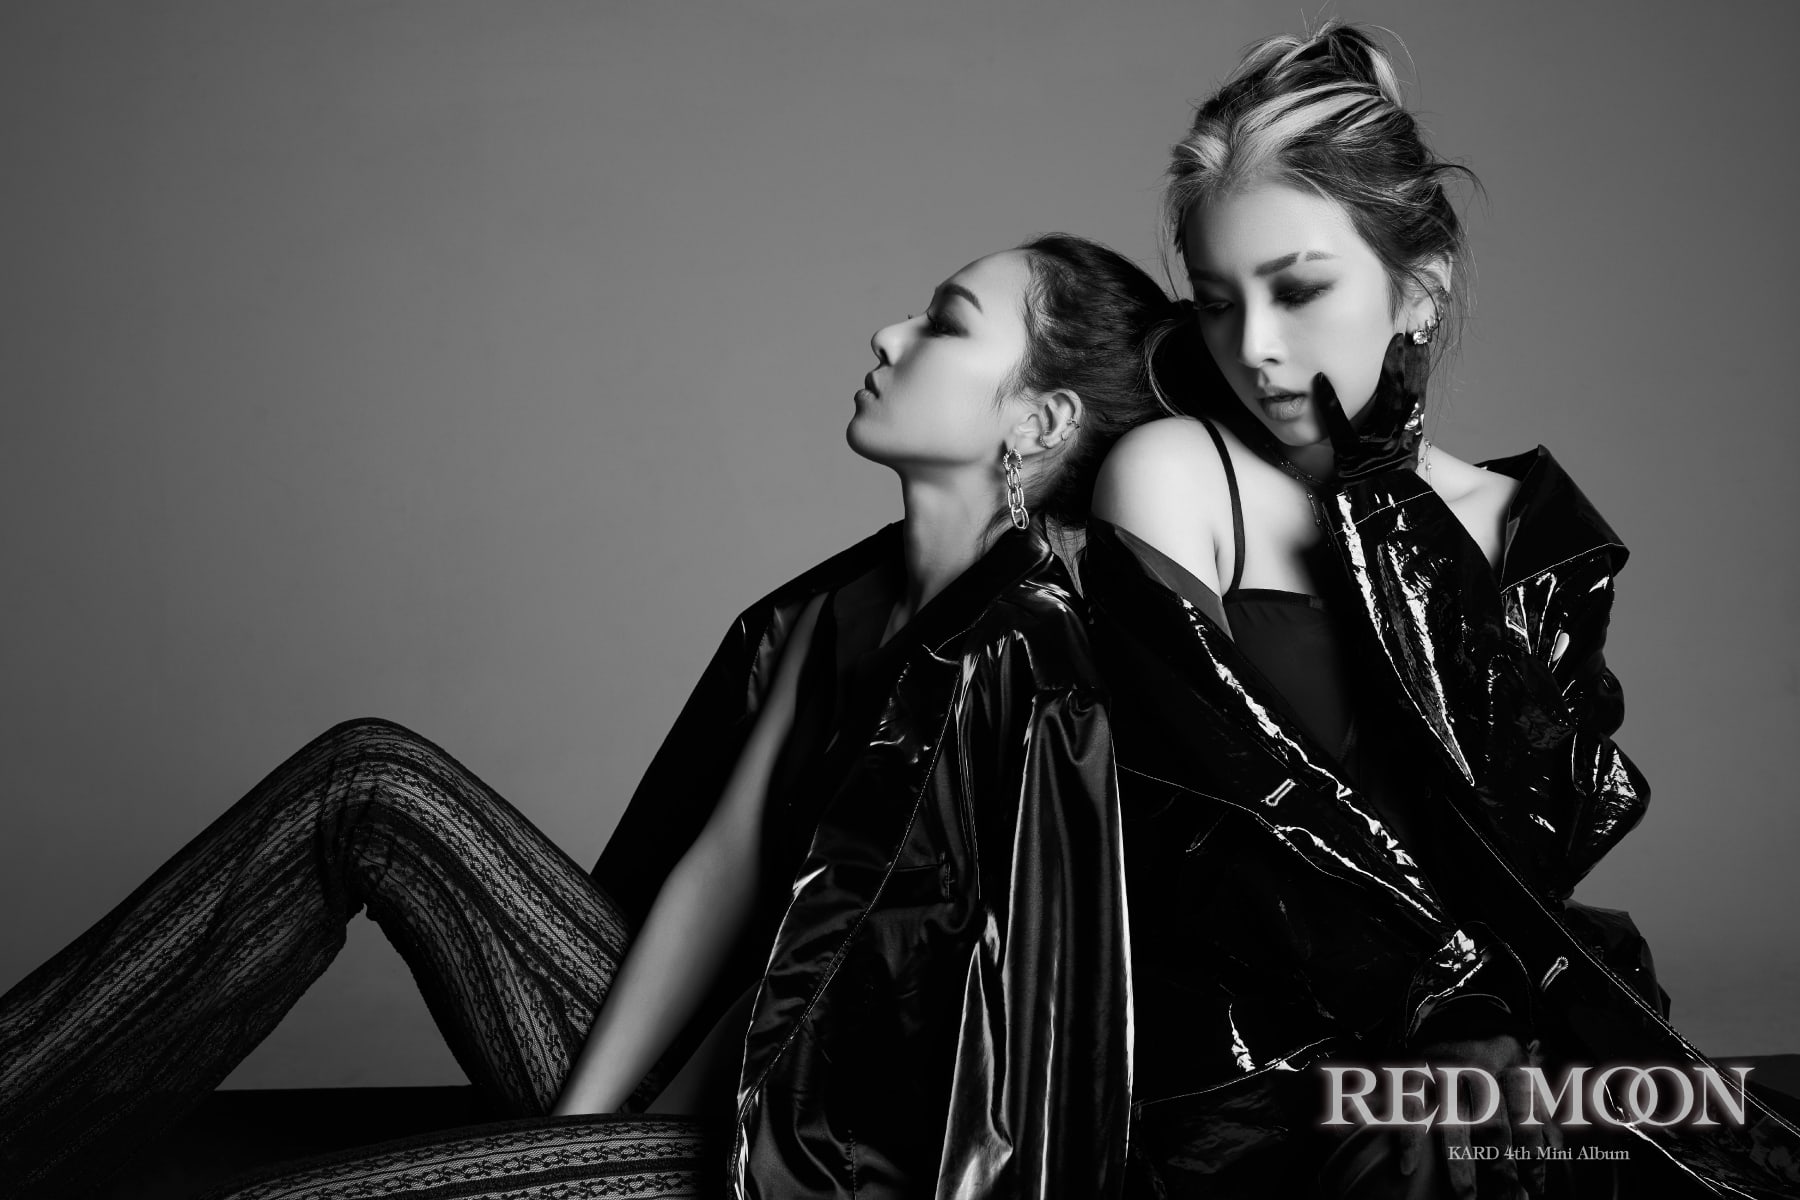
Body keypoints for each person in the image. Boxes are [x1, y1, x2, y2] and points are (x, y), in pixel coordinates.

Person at [0, 233, 1169, 1199]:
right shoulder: (840, 605)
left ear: (1039, 422)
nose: (889, 335)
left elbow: (856, 993)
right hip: (681, 1090)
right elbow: (720, 874)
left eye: (946, 324)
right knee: (372, 779)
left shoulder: (1023, 654)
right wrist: (573, 1133)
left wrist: (606, 1154)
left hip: (803, 1150)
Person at [1080, 23, 1800, 1199]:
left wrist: (1383, 506)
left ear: (1419, 289)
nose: (1255, 348)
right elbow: (1213, 816)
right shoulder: (1177, 476)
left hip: (1506, 1026)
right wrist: (1445, 1007)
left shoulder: (1519, 524)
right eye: (1215, 302)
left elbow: (1527, 833)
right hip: (1255, 1051)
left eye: (1299, 290)